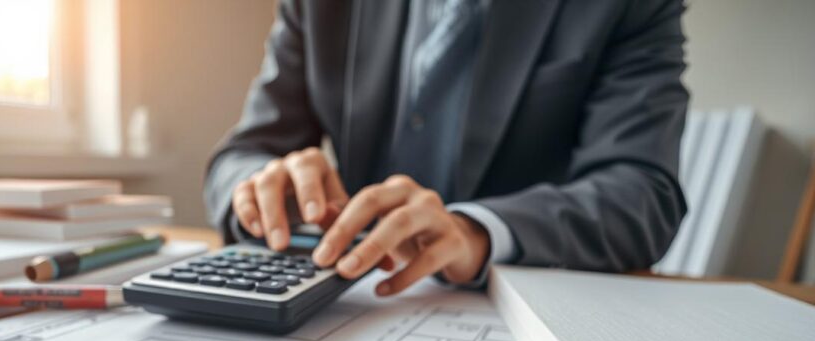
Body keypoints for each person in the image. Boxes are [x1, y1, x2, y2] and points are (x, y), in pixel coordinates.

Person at [204, 0, 689, 295]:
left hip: (517, 306)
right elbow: (241, 155)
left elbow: (643, 192)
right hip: (350, 293)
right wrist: (259, 187)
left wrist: (476, 230)